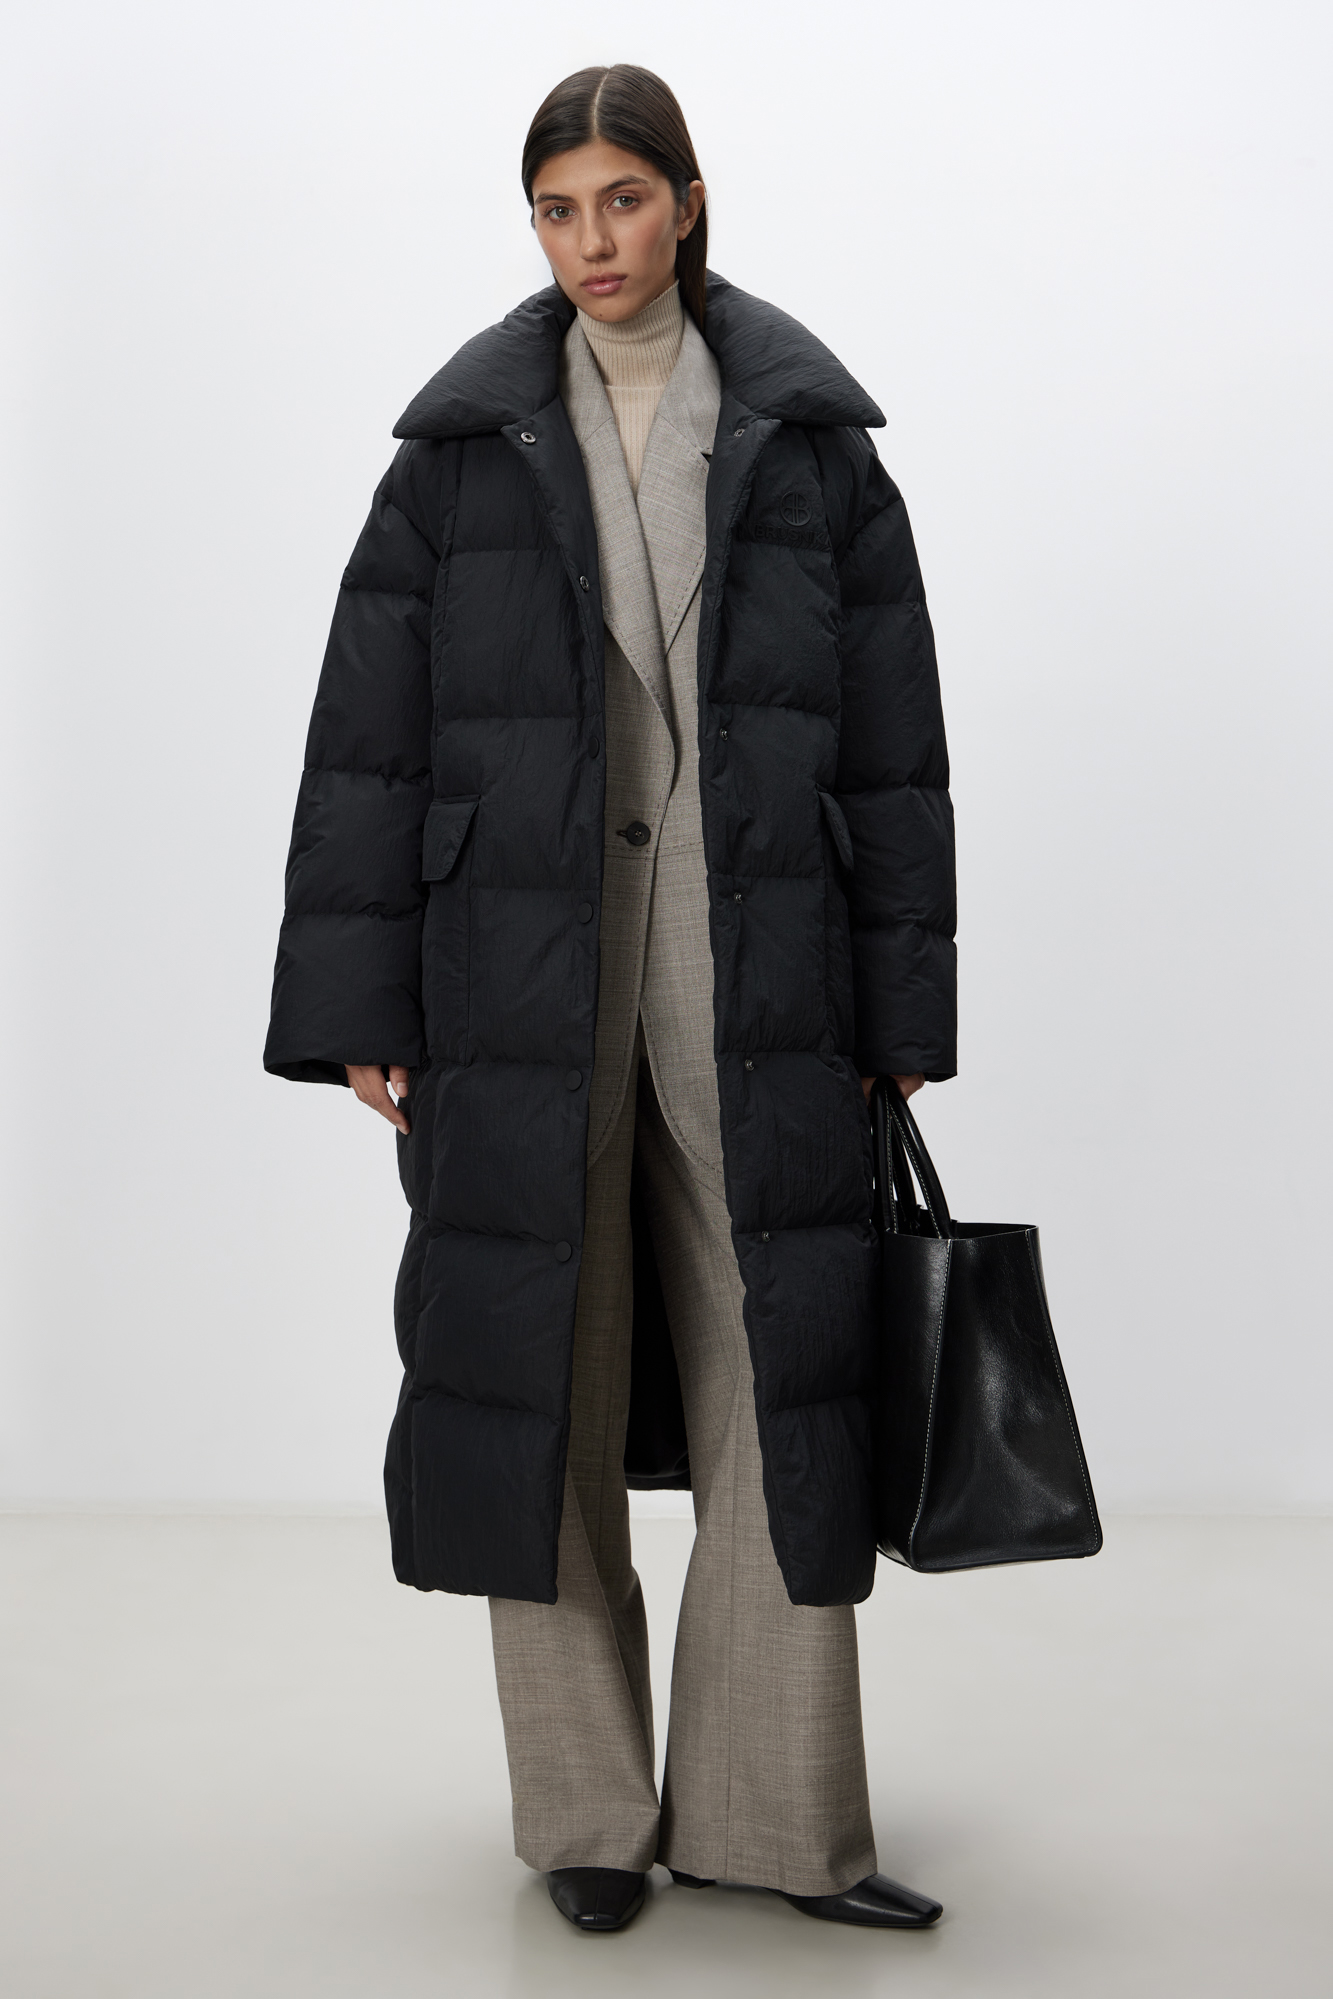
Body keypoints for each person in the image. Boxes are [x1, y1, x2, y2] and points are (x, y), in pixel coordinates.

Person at [264, 63, 956, 1935]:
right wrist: (359, 1001)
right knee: (531, 1381)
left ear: (688, 200)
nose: (592, 242)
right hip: (516, 970)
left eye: (622, 201)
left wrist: (901, 1008)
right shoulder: (458, 453)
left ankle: (776, 1822)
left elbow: (893, 751)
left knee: (780, 1384)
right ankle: (584, 1815)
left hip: (759, 965)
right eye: (558, 210)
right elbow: (367, 748)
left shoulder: (810, 444)